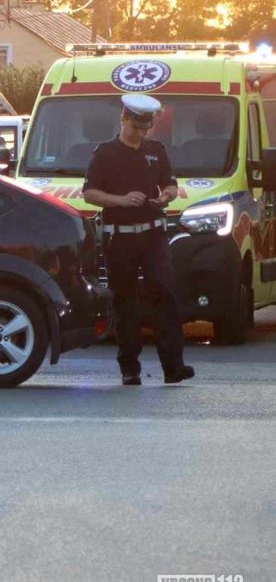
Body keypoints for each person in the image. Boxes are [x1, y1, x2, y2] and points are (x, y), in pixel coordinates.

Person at [82, 94, 195, 386]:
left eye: (145, 128)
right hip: (120, 238)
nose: (140, 133)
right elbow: (90, 193)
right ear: (123, 119)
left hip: (153, 233)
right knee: (125, 302)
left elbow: (171, 184)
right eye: (136, 127)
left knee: (165, 293)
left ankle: (174, 366)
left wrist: (166, 195)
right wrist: (120, 200)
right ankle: (129, 368)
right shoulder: (105, 153)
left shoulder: (156, 151)